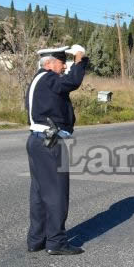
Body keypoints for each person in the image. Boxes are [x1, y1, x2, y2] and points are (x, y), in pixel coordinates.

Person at [25, 45, 88, 255]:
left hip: (37, 141)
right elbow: (72, 82)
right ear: (50, 63)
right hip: (50, 142)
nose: (64, 67)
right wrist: (80, 58)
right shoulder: (49, 78)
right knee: (56, 194)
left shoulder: (38, 80)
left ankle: (37, 239)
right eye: (62, 63)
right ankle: (56, 242)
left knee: (39, 193)